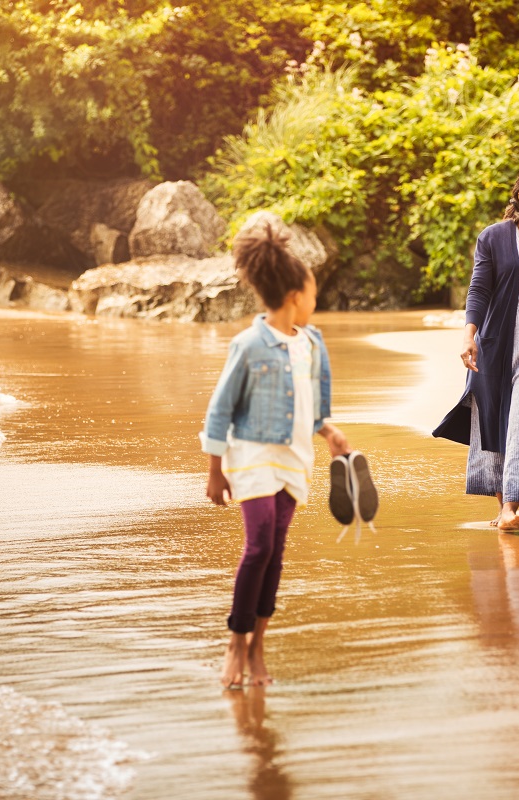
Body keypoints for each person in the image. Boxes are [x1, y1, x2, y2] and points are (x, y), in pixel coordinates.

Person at [201, 220, 349, 689]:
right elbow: (220, 409)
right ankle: (235, 642)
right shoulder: (247, 345)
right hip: (250, 456)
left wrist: (330, 433)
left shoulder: (312, 344)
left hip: (294, 458)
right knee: (259, 544)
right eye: (311, 294)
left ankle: (258, 644)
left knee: (276, 553)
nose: (315, 301)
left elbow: (312, 406)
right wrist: (215, 470)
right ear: (292, 296)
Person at [433, 164, 519, 531]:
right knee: (494, 421)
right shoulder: (494, 237)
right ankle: (501, 506)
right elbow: (479, 289)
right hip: (494, 344)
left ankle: (511, 507)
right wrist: (469, 336)